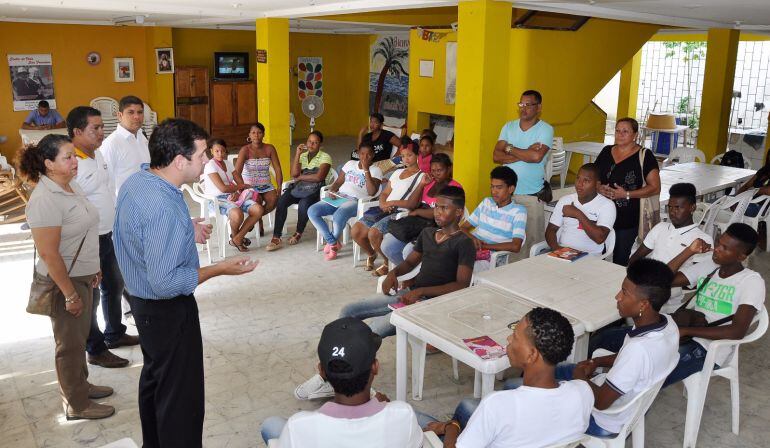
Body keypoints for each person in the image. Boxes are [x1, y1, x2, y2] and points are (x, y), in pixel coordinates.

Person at [113, 119, 258, 447]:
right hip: (166, 309)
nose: (208, 161)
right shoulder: (162, 205)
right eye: (202, 154)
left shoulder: (139, 181)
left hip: (141, 302)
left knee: (156, 380)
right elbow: (165, 282)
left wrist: (184, 226)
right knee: (181, 398)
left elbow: (136, 230)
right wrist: (219, 268)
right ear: (180, 161)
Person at [295, 186, 475, 401]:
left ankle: (343, 379)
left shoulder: (464, 243)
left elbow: (462, 284)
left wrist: (421, 291)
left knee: (373, 329)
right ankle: (331, 375)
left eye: (444, 208)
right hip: (410, 295)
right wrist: (393, 274)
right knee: (349, 311)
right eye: (436, 206)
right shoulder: (428, 233)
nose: (437, 212)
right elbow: (409, 262)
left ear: (459, 212)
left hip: (432, 304)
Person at [511, 259, 679, 437]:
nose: (618, 297)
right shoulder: (669, 325)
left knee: (513, 388)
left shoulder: (639, 350)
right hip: (617, 397)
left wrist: (580, 378)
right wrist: (596, 361)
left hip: (602, 420)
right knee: (550, 373)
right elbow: (635, 363)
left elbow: (600, 402)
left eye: (624, 293)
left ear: (643, 304)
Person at [20, 134, 115, 420]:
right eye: (68, 157)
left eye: (74, 155)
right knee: (69, 345)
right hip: (65, 281)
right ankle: (76, 403)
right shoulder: (45, 199)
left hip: (83, 274)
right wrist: (70, 294)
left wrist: (95, 266)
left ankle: (81, 386)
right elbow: (50, 255)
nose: (75, 161)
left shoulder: (70, 186)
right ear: (48, 164)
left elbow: (84, 232)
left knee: (79, 336)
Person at [420, 308, 593, 448]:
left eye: (516, 337)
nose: (509, 339)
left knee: (411, 420)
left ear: (531, 355)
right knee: (467, 406)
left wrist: (451, 427)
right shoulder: (583, 393)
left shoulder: (498, 406)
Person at [261, 317, 423, 447]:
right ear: (375, 367)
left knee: (271, 424)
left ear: (322, 371)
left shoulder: (298, 426)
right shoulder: (404, 414)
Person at [68, 106, 138, 370]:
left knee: (114, 285)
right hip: (88, 239)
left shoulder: (97, 154)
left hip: (108, 233)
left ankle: (115, 332)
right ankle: (95, 349)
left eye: (101, 127)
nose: (101, 132)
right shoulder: (71, 163)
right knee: (92, 297)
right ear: (77, 132)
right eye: (94, 128)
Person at [664, 223, 765, 387]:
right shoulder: (710, 266)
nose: (717, 249)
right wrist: (688, 251)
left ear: (741, 257)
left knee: (653, 370)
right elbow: (663, 280)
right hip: (686, 333)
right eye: (719, 243)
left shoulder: (751, 282)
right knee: (621, 344)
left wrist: (686, 331)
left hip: (710, 349)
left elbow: (737, 331)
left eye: (725, 248)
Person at [628, 183, 713, 313]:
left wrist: (647, 278)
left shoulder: (703, 240)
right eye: (670, 207)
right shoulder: (660, 227)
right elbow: (635, 259)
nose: (672, 212)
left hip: (670, 299)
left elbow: (693, 281)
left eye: (678, 207)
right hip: (642, 287)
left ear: (692, 207)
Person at [492, 90, 554, 260]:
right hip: (506, 196)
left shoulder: (546, 129)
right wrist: (524, 152)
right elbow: (496, 156)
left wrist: (509, 148)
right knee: (507, 241)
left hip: (531, 196)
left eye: (528, 105)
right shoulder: (508, 126)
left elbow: (536, 157)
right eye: (521, 104)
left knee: (532, 244)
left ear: (539, 107)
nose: (523, 108)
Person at [595, 117, 661, 266]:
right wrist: (599, 187)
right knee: (598, 254)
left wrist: (626, 194)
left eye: (625, 131)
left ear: (635, 135)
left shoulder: (645, 155)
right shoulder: (606, 151)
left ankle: (619, 287)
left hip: (627, 217)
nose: (620, 134)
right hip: (602, 213)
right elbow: (594, 175)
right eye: (617, 131)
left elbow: (655, 187)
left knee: (619, 258)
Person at [351, 143, 425, 276]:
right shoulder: (397, 172)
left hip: (401, 213)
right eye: (403, 156)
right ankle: (372, 255)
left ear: (417, 155)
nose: (405, 159)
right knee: (356, 230)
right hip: (384, 209)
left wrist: (390, 203)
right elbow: (385, 193)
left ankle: (386, 263)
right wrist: (382, 204)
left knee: (373, 233)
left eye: (409, 155)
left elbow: (413, 203)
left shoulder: (421, 176)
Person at [380, 153, 462, 266]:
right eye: (433, 170)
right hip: (416, 224)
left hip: (436, 227)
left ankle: (413, 275)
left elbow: (442, 214)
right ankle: (409, 274)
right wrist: (421, 184)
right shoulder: (429, 183)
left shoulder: (454, 188)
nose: (436, 173)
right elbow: (412, 204)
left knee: (408, 251)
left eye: (440, 170)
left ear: (449, 168)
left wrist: (418, 212)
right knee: (387, 246)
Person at [308, 143, 383, 261]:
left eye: (368, 155)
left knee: (339, 216)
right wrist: (332, 191)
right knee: (312, 211)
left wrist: (366, 170)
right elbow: (338, 182)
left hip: (355, 201)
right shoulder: (350, 164)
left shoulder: (376, 170)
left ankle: (332, 248)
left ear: (373, 155)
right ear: (358, 153)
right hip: (339, 196)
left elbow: (372, 192)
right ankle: (333, 242)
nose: (364, 157)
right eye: (362, 154)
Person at [267, 130, 332, 251]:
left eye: (315, 142)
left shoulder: (325, 157)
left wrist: (301, 177)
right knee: (281, 201)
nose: (311, 145)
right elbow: (294, 174)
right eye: (309, 142)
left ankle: (298, 232)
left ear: (320, 145)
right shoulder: (302, 156)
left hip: (316, 190)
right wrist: (297, 154)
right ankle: (276, 236)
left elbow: (319, 177)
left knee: (304, 203)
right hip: (301, 187)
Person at [460, 166, 527, 270]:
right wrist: (473, 239)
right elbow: (463, 228)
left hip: (492, 258)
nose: (494, 191)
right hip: (472, 248)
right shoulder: (486, 202)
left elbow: (515, 246)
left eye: (499, 187)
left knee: (458, 267)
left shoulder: (518, 211)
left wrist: (484, 247)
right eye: (492, 187)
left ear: (511, 189)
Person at [545, 163, 616, 256]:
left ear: (597, 185)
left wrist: (577, 213)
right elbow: (551, 230)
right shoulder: (565, 200)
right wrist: (557, 249)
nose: (579, 184)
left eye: (586, 180)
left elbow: (599, 238)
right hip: (563, 251)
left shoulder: (607, 205)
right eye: (578, 178)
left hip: (590, 256)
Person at [200, 139, 258, 252]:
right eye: (217, 151)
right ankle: (237, 238)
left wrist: (237, 191)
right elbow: (223, 188)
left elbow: (239, 182)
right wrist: (238, 188)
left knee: (257, 209)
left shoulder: (228, 163)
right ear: (211, 151)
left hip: (231, 196)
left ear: (226, 151)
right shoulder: (210, 166)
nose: (220, 154)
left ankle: (237, 238)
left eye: (222, 151)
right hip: (215, 200)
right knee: (237, 213)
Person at [233, 122, 283, 237]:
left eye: (259, 132)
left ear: (263, 134)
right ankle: (257, 221)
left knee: (274, 199)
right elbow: (236, 173)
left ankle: (254, 219)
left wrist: (279, 186)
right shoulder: (245, 150)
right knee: (258, 200)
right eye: (253, 133)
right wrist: (243, 187)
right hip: (249, 185)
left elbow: (278, 169)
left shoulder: (269, 148)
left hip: (266, 184)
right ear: (249, 135)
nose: (256, 135)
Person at [99, 95, 150, 196]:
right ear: (119, 115)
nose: (137, 117)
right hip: (125, 202)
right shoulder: (111, 144)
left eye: (140, 112)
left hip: (146, 197)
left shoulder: (142, 137)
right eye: (130, 112)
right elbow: (105, 182)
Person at [736, 151, 769, 249]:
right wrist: (737, 196)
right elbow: (747, 185)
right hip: (750, 200)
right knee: (726, 202)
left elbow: (767, 191)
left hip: (762, 207)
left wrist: (756, 191)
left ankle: (740, 239)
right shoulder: (764, 170)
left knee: (735, 207)